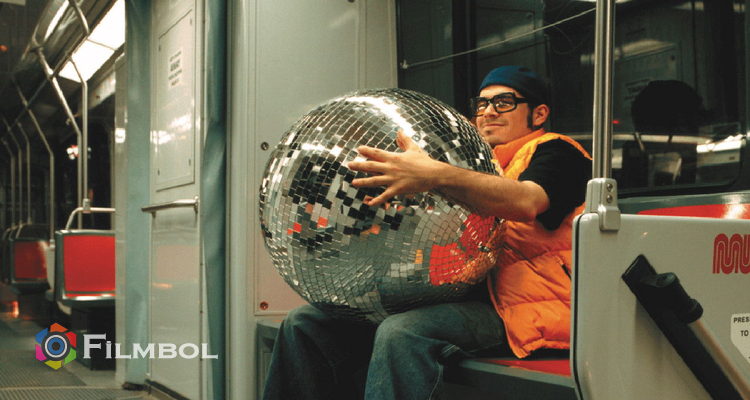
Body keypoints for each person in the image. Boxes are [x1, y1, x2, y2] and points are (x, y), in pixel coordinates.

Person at [261, 66, 591, 400]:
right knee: (306, 323)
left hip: (523, 309)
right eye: (481, 104)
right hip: (466, 293)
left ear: (539, 114)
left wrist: (436, 175)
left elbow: (527, 202)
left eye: (504, 102)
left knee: (403, 331)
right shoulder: (478, 162)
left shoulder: (558, 152)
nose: (488, 112)